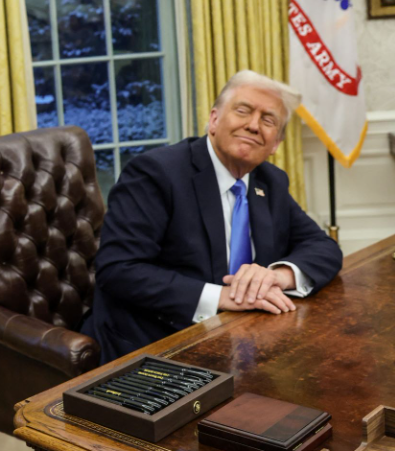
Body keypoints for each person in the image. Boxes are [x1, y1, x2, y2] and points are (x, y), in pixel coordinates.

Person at [82, 71, 343, 362]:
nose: (254, 125)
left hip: (244, 341)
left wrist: (276, 276)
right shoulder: (156, 173)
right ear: (215, 119)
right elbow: (118, 269)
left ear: (276, 144)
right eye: (243, 110)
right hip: (157, 345)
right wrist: (222, 296)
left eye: (268, 120)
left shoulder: (270, 182)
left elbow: (324, 247)